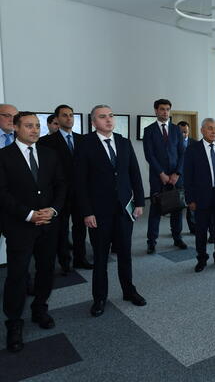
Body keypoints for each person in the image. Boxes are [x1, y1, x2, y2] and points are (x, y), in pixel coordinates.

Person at [0, 112, 66, 352]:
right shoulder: (3, 156)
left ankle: (40, 308)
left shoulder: (50, 154)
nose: (35, 130)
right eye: (29, 126)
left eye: (37, 126)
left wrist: (53, 210)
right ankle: (14, 322)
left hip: (48, 224)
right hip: (20, 226)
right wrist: (28, 214)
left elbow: (61, 185)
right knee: (17, 275)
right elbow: (2, 193)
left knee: (46, 270)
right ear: (16, 128)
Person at [75, 105, 146, 317]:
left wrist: (139, 202)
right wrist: (87, 212)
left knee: (125, 253)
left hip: (124, 210)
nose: (108, 120)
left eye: (111, 116)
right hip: (98, 212)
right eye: (102, 117)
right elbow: (80, 182)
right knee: (100, 257)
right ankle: (99, 298)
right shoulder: (85, 144)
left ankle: (129, 291)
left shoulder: (124, 142)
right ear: (93, 122)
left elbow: (135, 173)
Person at [39, 104, 92, 273]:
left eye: (71, 115)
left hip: (80, 192)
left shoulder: (82, 139)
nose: (69, 118)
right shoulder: (46, 141)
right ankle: (64, 263)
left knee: (80, 228)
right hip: (59, 194)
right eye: (64, 115)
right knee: (61, 230)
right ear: (57, 118)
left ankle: (80, 258)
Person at [184, 118, 215, 272]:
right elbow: (188, 176)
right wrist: (190, 199)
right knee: (201, 231)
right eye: (210, 128)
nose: (213, 131)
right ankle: (202, 259)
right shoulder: (193, 149)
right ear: (202, 130)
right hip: (201, 196)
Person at [143, 99, 186, 253]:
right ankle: (151, 242)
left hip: (176, 178)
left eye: (167, 109)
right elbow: (149, 155)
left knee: (177, 209)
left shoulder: (176, 130)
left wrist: (177, 173)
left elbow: (182, 153)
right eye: (162, 109)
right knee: (155, 210)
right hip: (157, 177)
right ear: (156, 111)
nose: (165, 112)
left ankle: (177, 238)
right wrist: (161, 173)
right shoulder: (149, 130)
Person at [178, 120, 197, 234]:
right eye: (181, 132)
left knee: (192, 203)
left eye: (185, 132)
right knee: (178, 205)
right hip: (178, 178)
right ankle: (177, 231)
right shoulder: (173, 143)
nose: (183, 134)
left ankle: (193, 227)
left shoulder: (195, 143)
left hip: (192, 178)